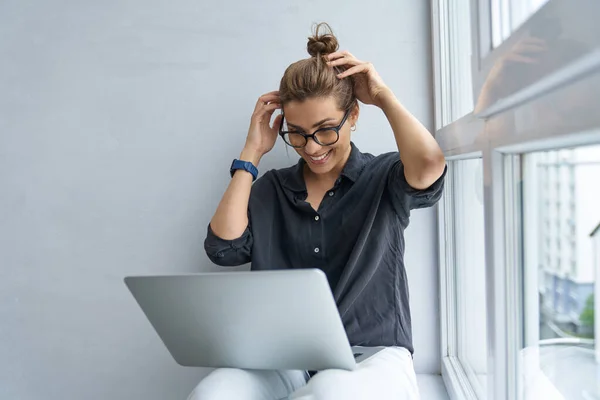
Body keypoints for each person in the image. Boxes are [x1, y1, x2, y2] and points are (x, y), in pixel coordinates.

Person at [190, 23, 447, 400]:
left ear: (354, 116)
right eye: (295, 133)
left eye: (326, 130)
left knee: (329, 392)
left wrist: (384, 96)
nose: (311, 147)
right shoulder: (270, 189)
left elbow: (429, 165)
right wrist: (251, 153)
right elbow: (223, 248)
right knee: (212, 394)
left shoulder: (383, 177)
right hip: (282, 357)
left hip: (372, 357)